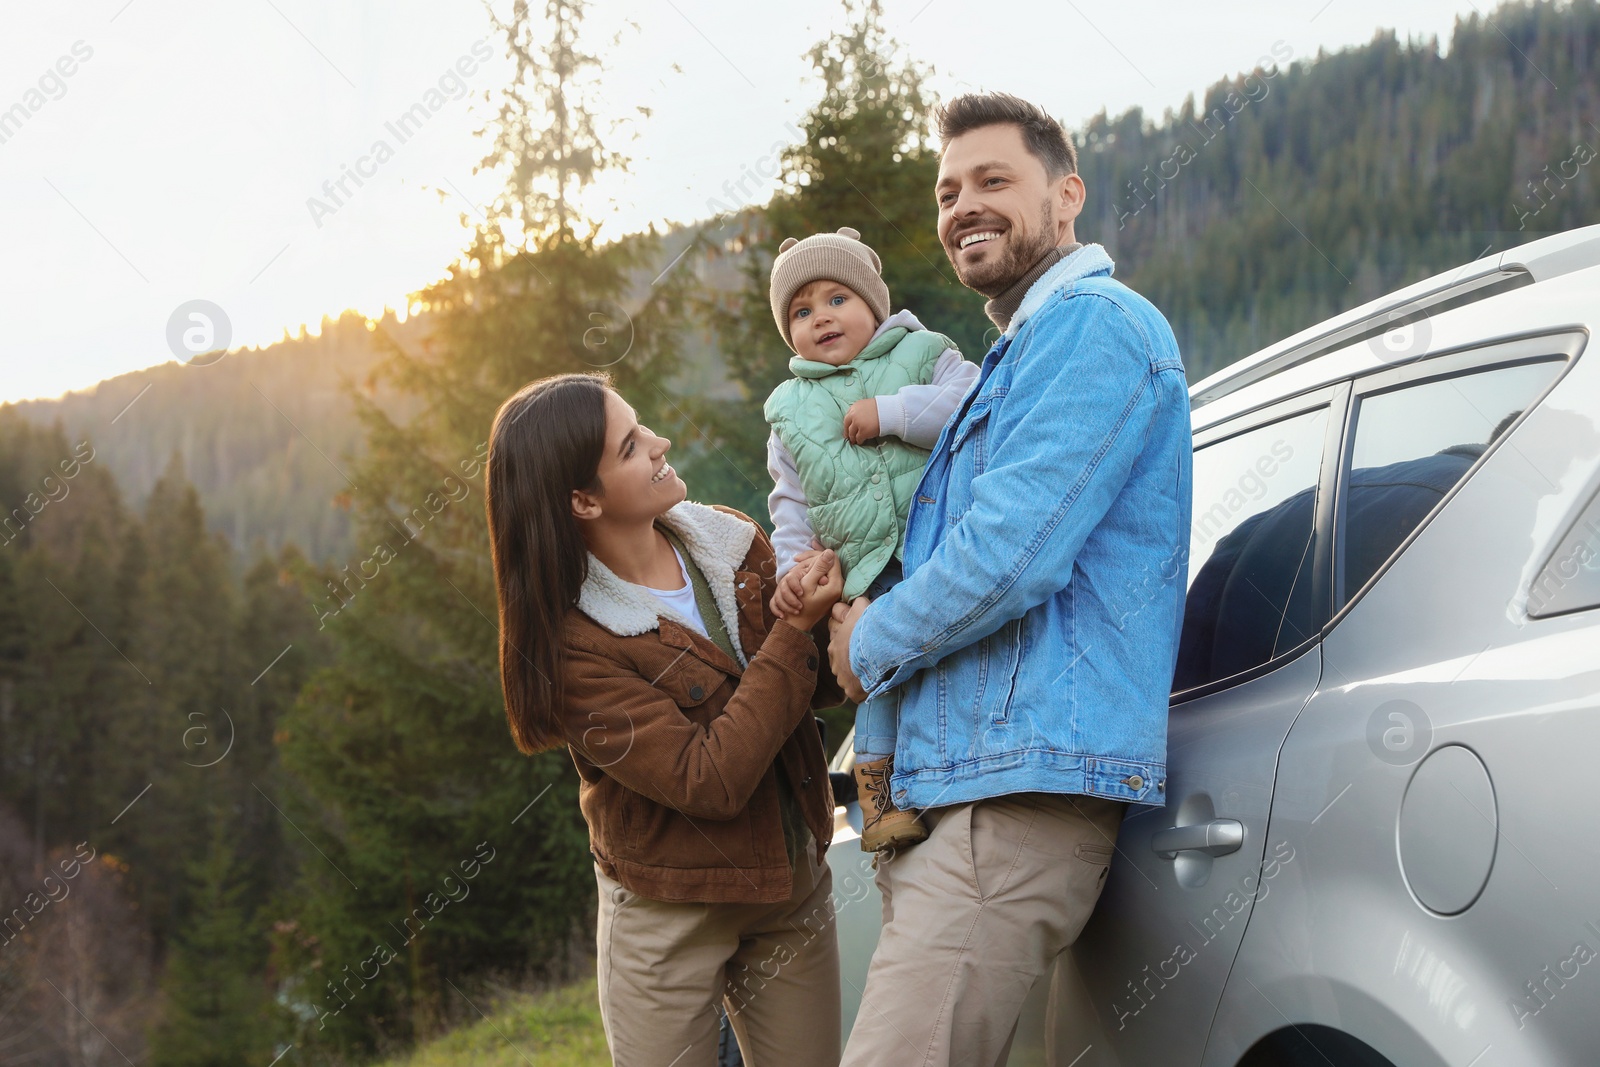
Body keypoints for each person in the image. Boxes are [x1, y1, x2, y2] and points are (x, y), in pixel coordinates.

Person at [826, 93, 1194, 1064]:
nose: (962, 206)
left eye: (994, 180)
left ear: (1065, 194)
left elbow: (1007, 557)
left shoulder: (1092, 327)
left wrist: (864, 641)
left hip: (1012, 798)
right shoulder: (1021, 351)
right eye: (948, 191)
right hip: (973, 785)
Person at [484, 373, 845, 1067]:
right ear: (583, 500)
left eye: (640, 425)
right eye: (630, 446)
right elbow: (709, 777)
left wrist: (834, 604)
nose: (659, 443)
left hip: (790, 887)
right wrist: (796, 630)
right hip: (667, 913)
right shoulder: (574, 649)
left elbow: (811, 687)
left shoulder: (731, 540)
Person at [762, 225, 978, 851]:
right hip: (866, 566)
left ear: (873, 304)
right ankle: (879, 794)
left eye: (837, 299)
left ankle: (966, 758)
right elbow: (792, 504)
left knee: (951, 654)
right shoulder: (790, 410)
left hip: (941, 542)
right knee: (875, 668)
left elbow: (971, 408)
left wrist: (893, 414)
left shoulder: (925, 353)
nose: (821, 319)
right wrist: (793, 573)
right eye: (801, 311)